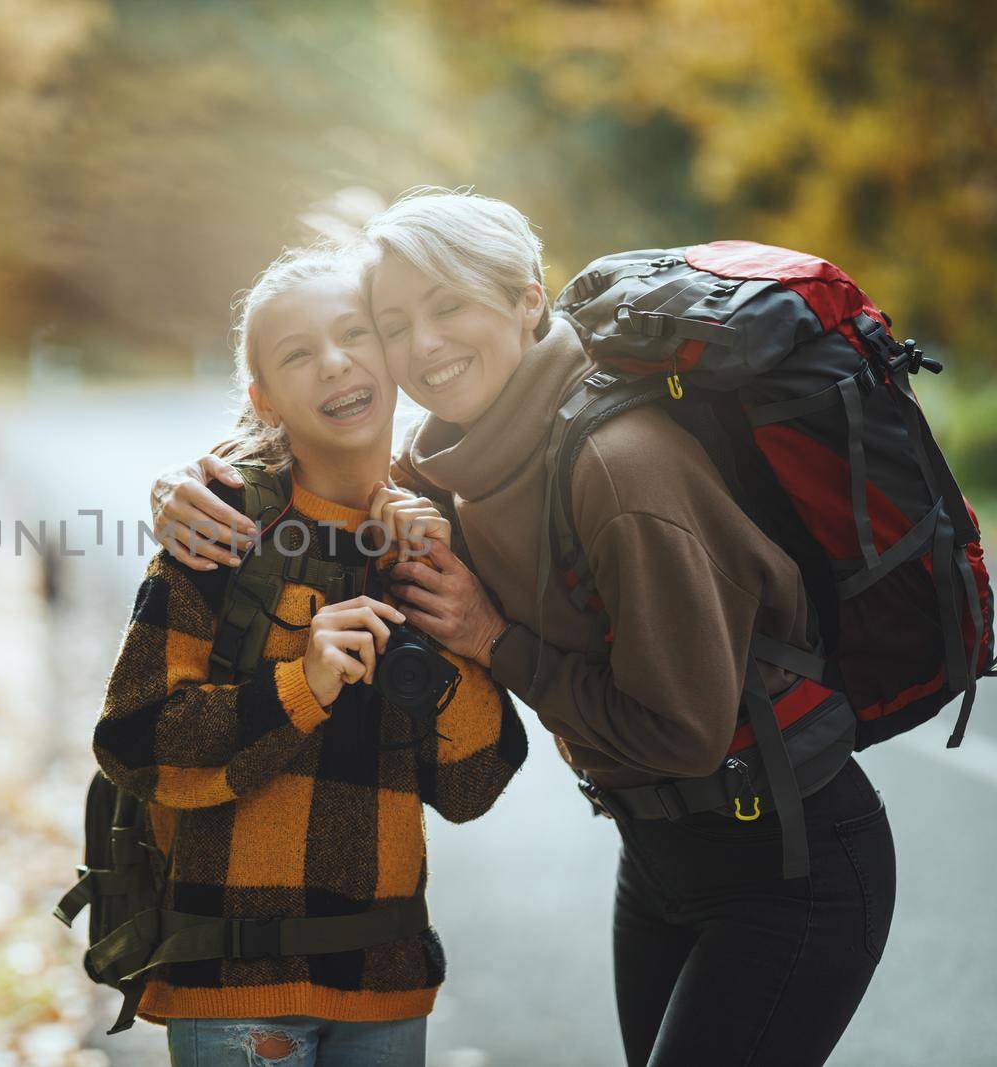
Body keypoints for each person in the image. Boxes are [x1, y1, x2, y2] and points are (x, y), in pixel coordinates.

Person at [150, 191, 896, 1067]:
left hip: (785, 862)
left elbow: (685, 732)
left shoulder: (622, 470)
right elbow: (317, 464)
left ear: (528, 300)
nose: (423, 345)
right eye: (395, 322)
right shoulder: (459, 456)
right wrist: (190, 485)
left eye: (450, 305)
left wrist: (493, 636)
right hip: (659, 855)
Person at [94, 244, 526, 1066]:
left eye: (354, 334)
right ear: (263, 398)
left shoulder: (438, 536)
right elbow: (135, 740)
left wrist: (434, 655)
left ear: (392, 357)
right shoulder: (218, 527)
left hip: (387, 979)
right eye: (298, 353)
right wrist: (303, 683)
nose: (335, 365)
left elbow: (476, 782)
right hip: (234, 981)